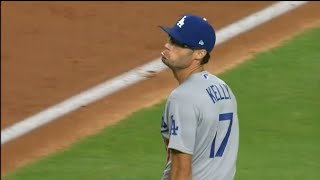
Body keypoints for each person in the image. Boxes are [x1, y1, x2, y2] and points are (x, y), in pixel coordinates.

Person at [159, 14, 239, 180]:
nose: (168, 46)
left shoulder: (182, 98)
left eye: (178, 44)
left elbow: (182, 168)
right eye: (170, 39)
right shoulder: (223, 88)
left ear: (199, 54)